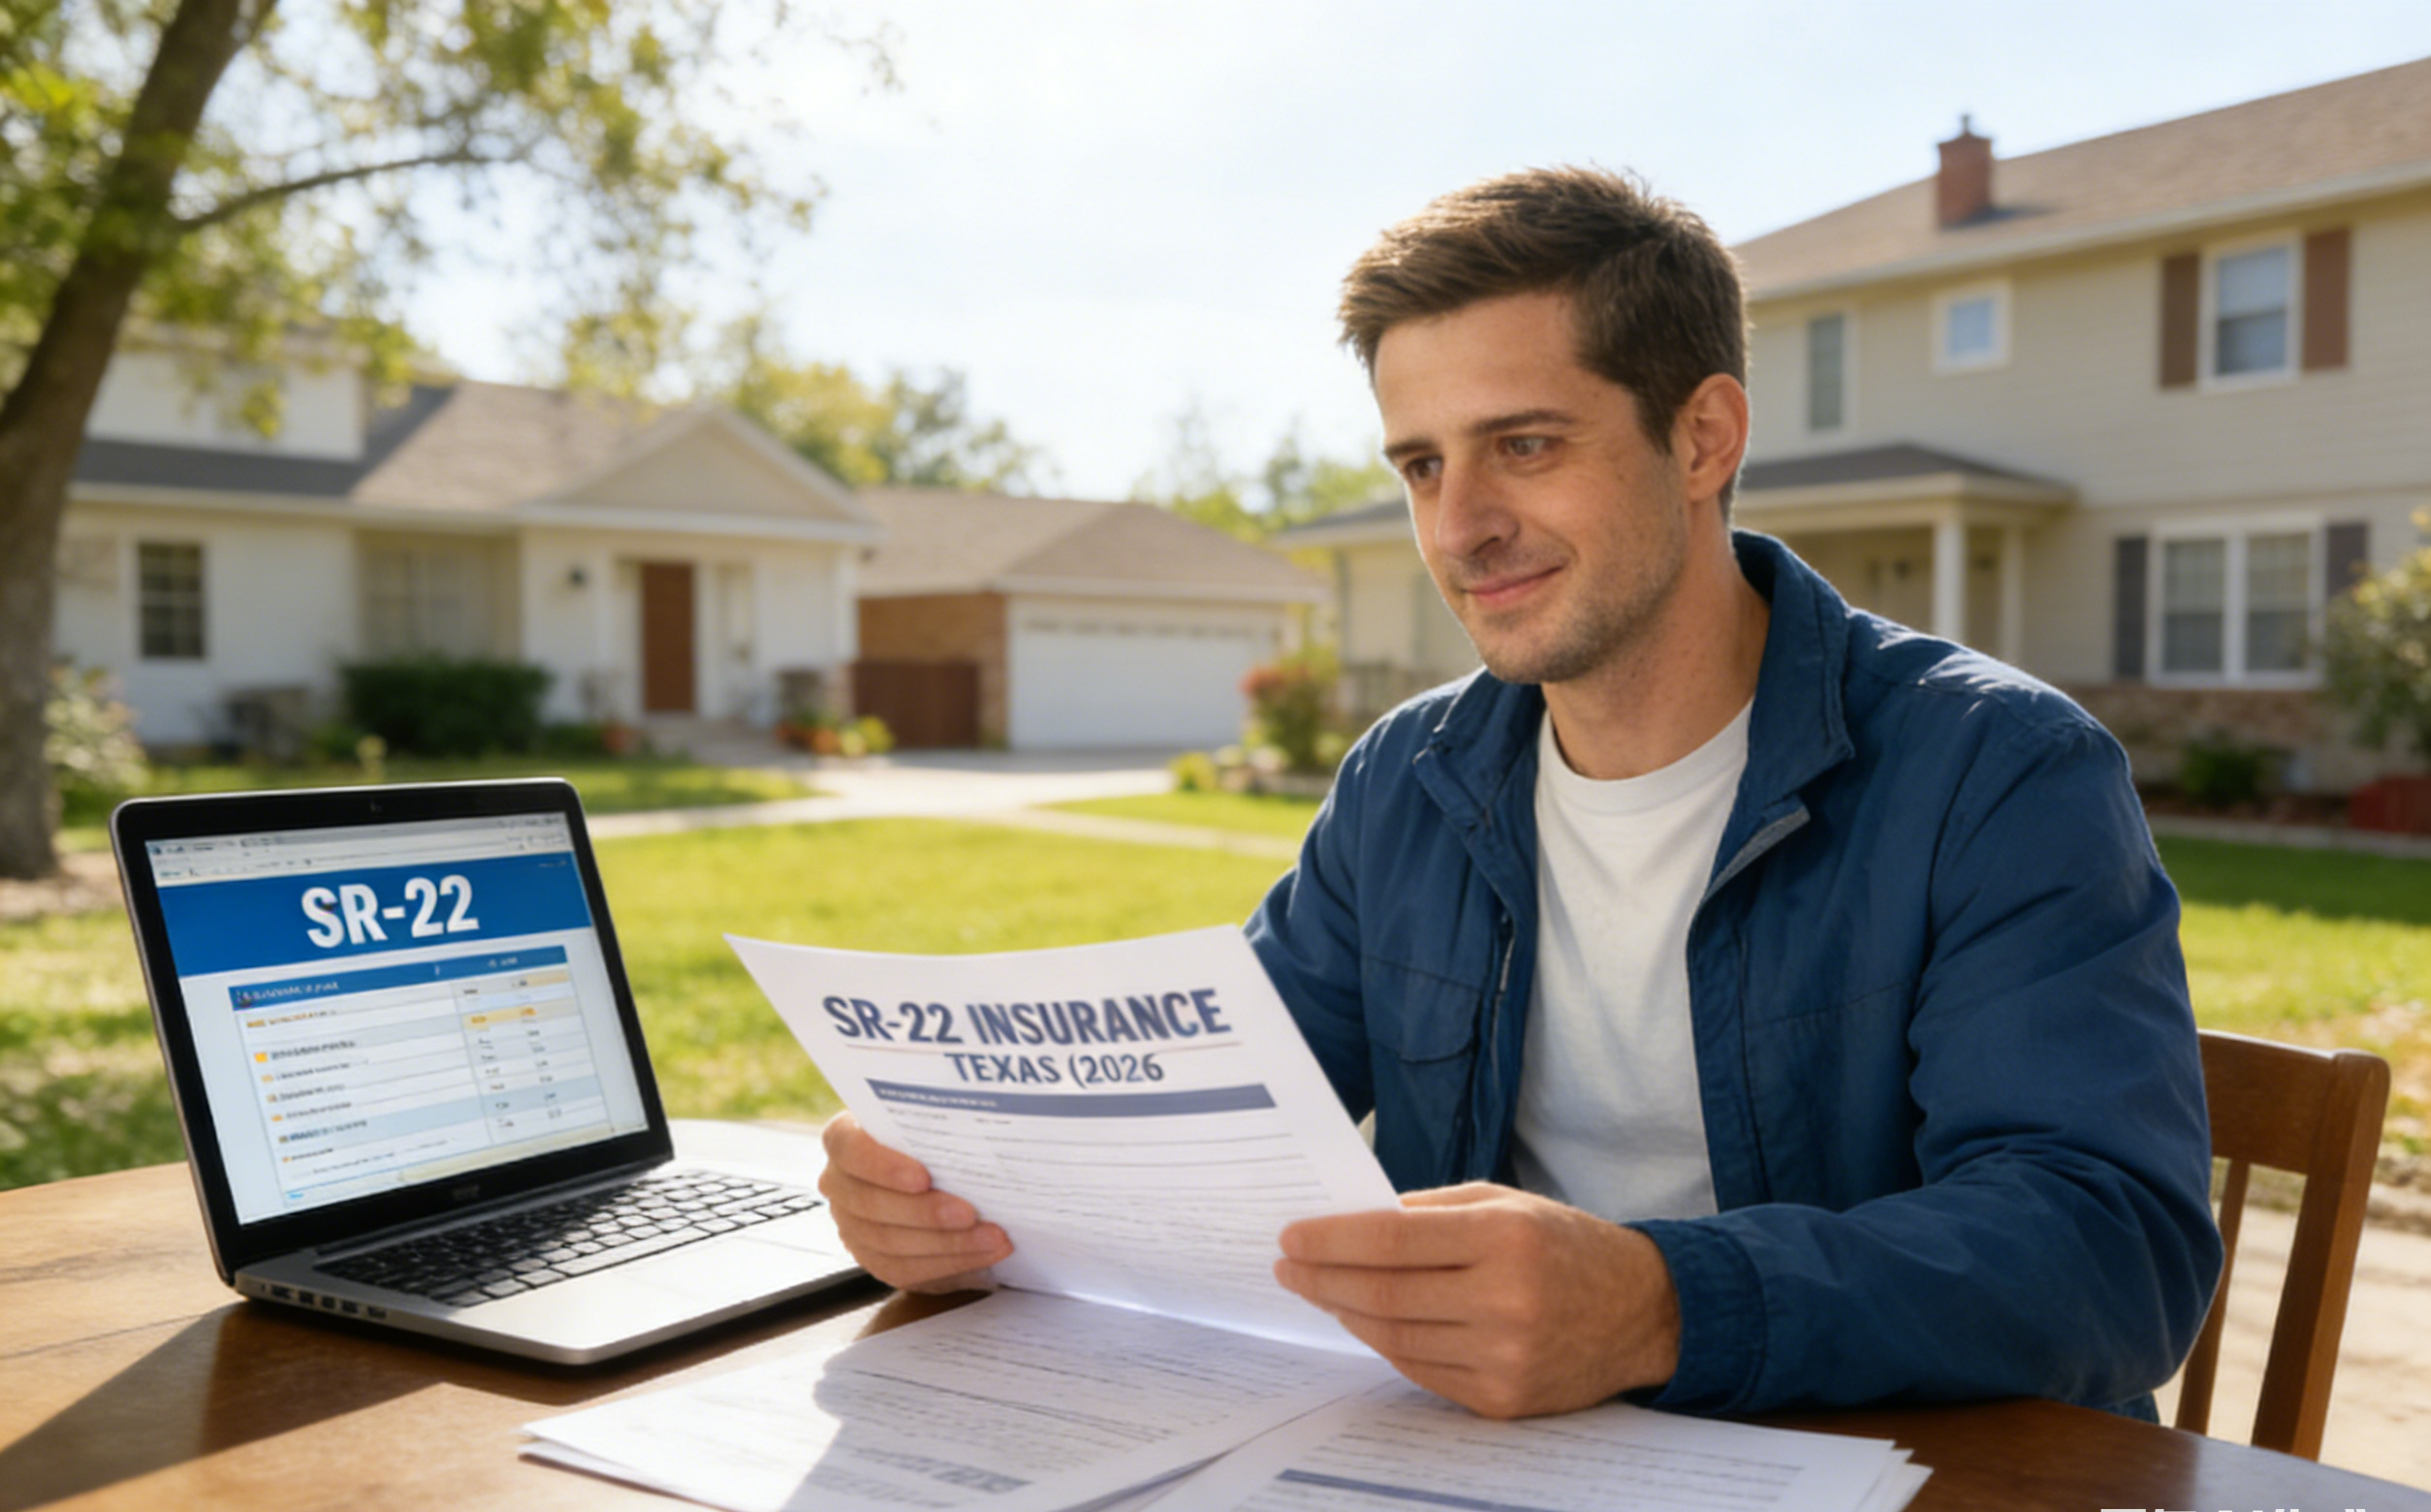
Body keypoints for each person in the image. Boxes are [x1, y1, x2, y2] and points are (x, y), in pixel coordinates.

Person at [819, 166, 2222, 1424]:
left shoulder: (1999, 772)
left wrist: (1657, 1304)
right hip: (1490, 1459)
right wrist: (959, 1193)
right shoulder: (1410, 782)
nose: (1458, 525)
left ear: (1702, 437)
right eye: (1422, 465)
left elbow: (2107, 1249)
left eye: (1525, 445)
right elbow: (1209, 1110)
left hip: (1872, 1465)